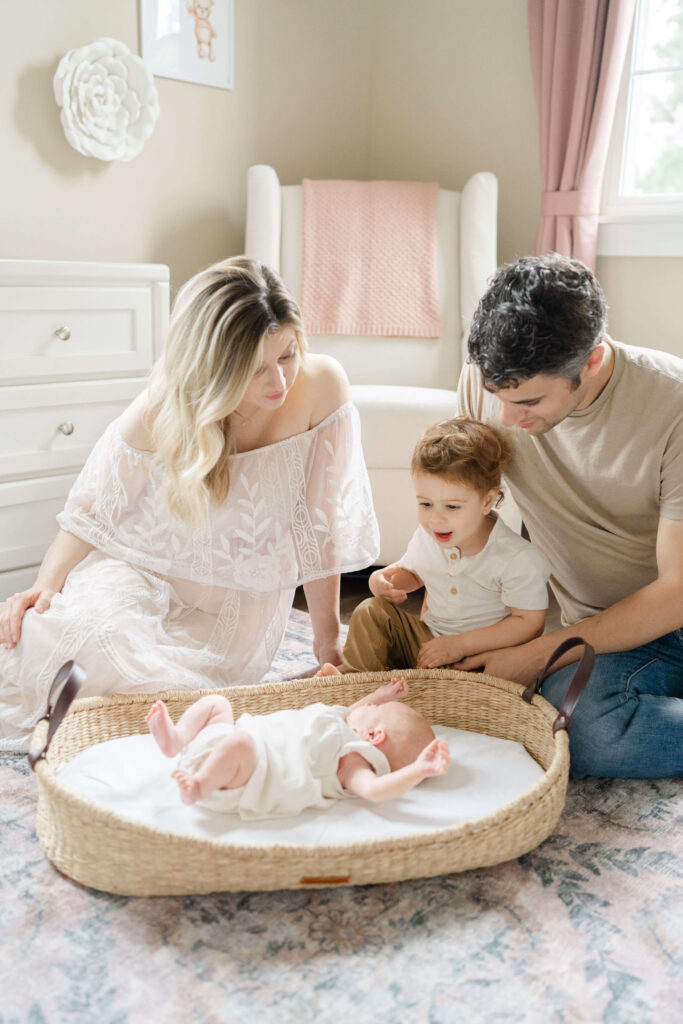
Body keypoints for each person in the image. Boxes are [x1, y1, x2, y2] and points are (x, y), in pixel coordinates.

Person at [0, 257, 379, 752]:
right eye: (255, 368)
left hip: (235, 608)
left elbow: (319, 526)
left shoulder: (322, 386)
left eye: (287, 356)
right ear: (213, 367)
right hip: (141, 570)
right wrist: (43, 586)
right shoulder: (169, 403)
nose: (279, 383)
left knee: (160, 685)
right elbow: (95, 507)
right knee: (66, 635)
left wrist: (327, 641)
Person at [457, 253, 683, 779]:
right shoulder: (490, 386)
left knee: (590, 733)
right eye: (498, 397)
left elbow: (677, 593)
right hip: (606, 631)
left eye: (531, 400)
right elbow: (469, 515)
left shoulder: (673, 406)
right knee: (564, 718)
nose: (507, 420)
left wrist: (542, 651)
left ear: (594, 360)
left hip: (670, 616)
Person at [319, 416, 550, 675]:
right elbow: (414, 574)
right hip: (429, 645)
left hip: (481, 660)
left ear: (487, 502)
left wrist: (460, 645)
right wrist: (382, 582)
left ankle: (407, 687)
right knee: (370, 611)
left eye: (452, 507)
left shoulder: (516, 558)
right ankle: (355, 682)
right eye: (426, 504)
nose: (435, 519)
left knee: (497, 680)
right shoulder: (428, 537)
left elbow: (530, 623)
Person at [145, 677, 450, 817]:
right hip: (224, 746)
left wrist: (417, 769)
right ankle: (178, 738)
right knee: (218, 704)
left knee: (239, 743)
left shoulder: (352, 760)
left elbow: (374, 790)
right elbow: (352, 712)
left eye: (372, 708)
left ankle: (197, 786)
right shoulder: (342, 724)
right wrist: (381, 696)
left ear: (373, 736)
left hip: (244, 773)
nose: (366, 704)